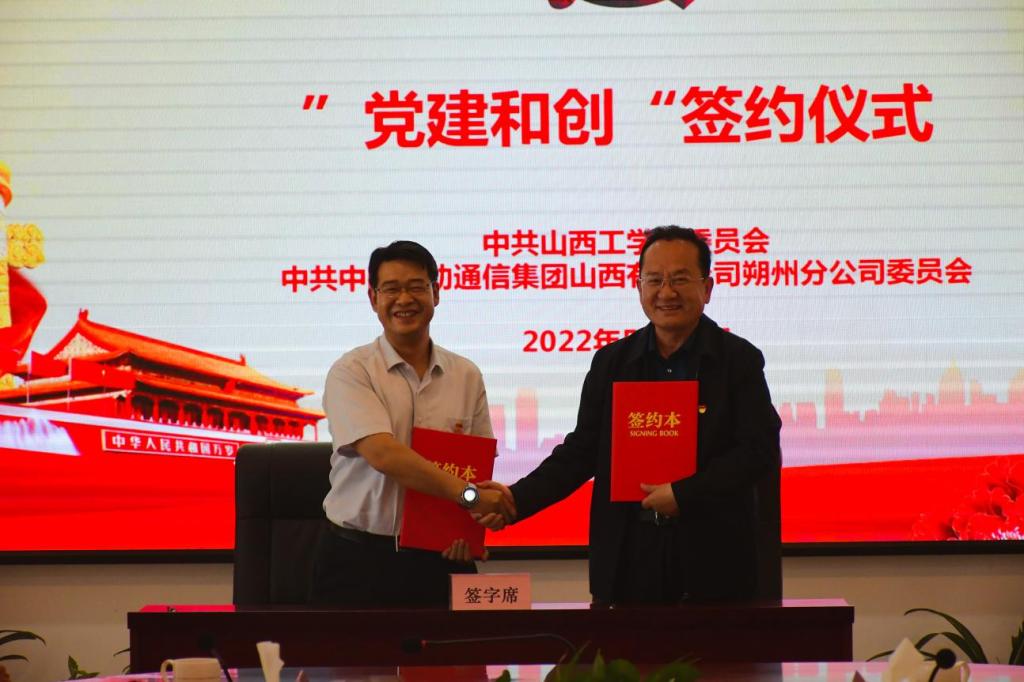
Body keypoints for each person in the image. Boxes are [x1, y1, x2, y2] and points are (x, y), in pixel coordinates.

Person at [479, 226, 781, 605]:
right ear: (638, 287)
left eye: (680, 279)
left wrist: (684, 494)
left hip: (713, 560)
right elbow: (582, 452)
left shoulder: (738, 360)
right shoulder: (613, 363)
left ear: (707, 288)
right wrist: (515, 499)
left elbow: (757, 451)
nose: (666, 292)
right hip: (629, 560)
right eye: (654, 280)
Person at [311, 240, 514, 607]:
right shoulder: (352, 371)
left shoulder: (466, 375)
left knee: (464, 647)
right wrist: (471, 497)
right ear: (373, 298)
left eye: (416, 287)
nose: (404, 299)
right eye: (391, 289)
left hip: (440, 559)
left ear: (436, 292)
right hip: (358, 561)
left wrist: (476, 521)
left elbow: (475, 466)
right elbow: (384, 454)